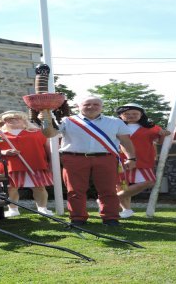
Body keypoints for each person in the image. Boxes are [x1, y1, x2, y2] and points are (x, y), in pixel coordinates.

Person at [42, 96, 136, 226]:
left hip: (106, 158)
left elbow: (125, 141)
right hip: (74, 158)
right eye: (87, 104)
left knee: (108, 190)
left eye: (96, 104)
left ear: (101, 107)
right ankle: (77, 218)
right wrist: (45, 119)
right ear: (79, 107)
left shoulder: (115, 122)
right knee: (75, 190)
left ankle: (110, 218)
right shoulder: (67, 121)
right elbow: (49, 134)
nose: (92, 107)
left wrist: (131, 157)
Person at [0, 110, 53, 217]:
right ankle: (13, 210)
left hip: (36, 165)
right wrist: (3, 152)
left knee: (39, 187)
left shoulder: (37, 132)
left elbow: (49, 149)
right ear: (4, 122)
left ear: (24, 120)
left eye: (17, 118)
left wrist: (51, 164)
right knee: (11, 188)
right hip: (9, 166)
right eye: (8, 119)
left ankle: (42, 209)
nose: (13, 120)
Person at [115, 103, 171, 218]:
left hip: (144, 160)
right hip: (119, 160)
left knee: (149, 181)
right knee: (122, 185)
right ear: (120, 115)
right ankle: (126, 210)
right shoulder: (114, 125)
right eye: (127, 114)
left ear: (141, 114)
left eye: (135, 113)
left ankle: (111, 199)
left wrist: (163, 135)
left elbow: (160, 142)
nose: (131, 115)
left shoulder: (151, 127)